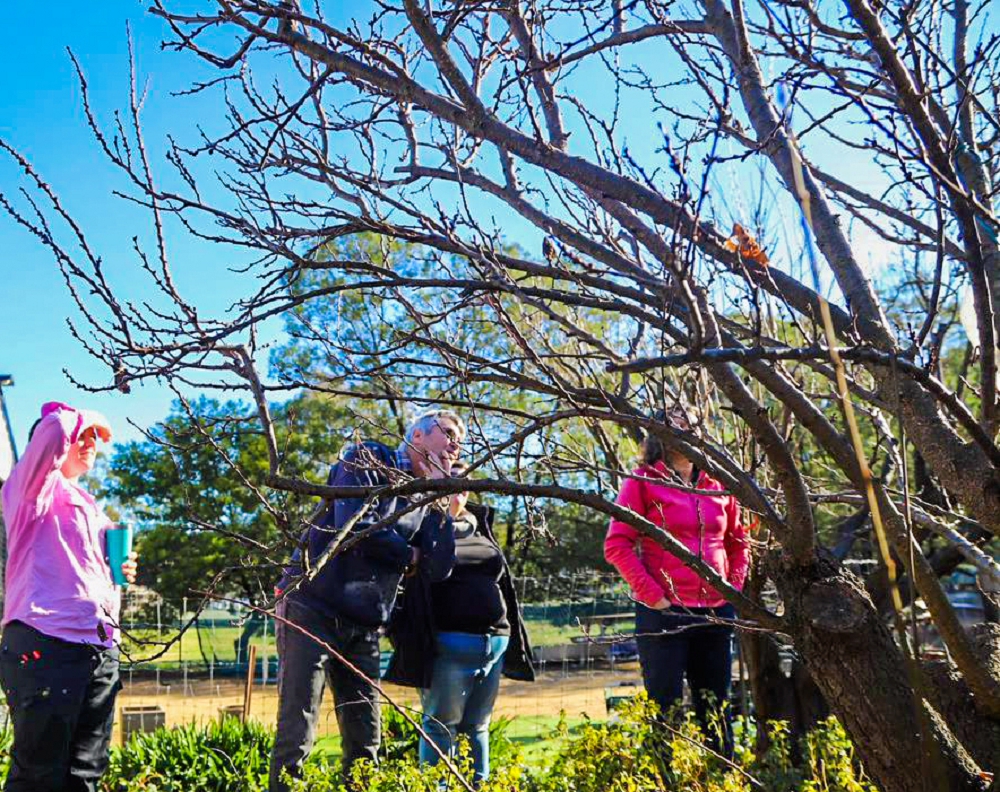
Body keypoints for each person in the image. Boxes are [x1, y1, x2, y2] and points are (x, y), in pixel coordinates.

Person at [268, 410, 465, 792]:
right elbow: (355, 526)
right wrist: (409, 556)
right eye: (449, 433)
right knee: (298, 726)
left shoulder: (425, 499)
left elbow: (438, 569)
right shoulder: (368, 458)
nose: (456, 444)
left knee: (366, 739)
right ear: (419, 437)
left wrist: (443, 505)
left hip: (366, 623)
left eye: (460, 441)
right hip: (314, 608)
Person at [0, 401, 138, 792]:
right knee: (39, 776)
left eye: (94, 437)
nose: (91, 441)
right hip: (46, 643)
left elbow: (84, 578)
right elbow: (56, 428)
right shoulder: (28, 492)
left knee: (85, 775)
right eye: (85, 436)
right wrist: (89, 417)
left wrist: (120, 575)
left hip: (98, 650)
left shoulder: (92, 509)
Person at [604, 406, 749, 752]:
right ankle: (667, 780)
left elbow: (739, 543)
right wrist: (654, 596)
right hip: (664, 614)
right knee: (665, 711)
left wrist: (734, 589)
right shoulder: (643, 481)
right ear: (658, 433)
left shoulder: (720, 484)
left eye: (689, 424)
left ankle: (720, 780)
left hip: (716, 612)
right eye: (673, 425)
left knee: (716, 710)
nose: (682, 430)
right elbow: (617, 544)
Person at [384, 460, 534, 786]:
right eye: (448, 481)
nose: (457, 488)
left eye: (463, 482)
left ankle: (478, 785)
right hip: (446, 645)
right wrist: (444, 517)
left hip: (493, 643)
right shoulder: (421, 525)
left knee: (478, 726)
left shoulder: (481, 524)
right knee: (441, 725)